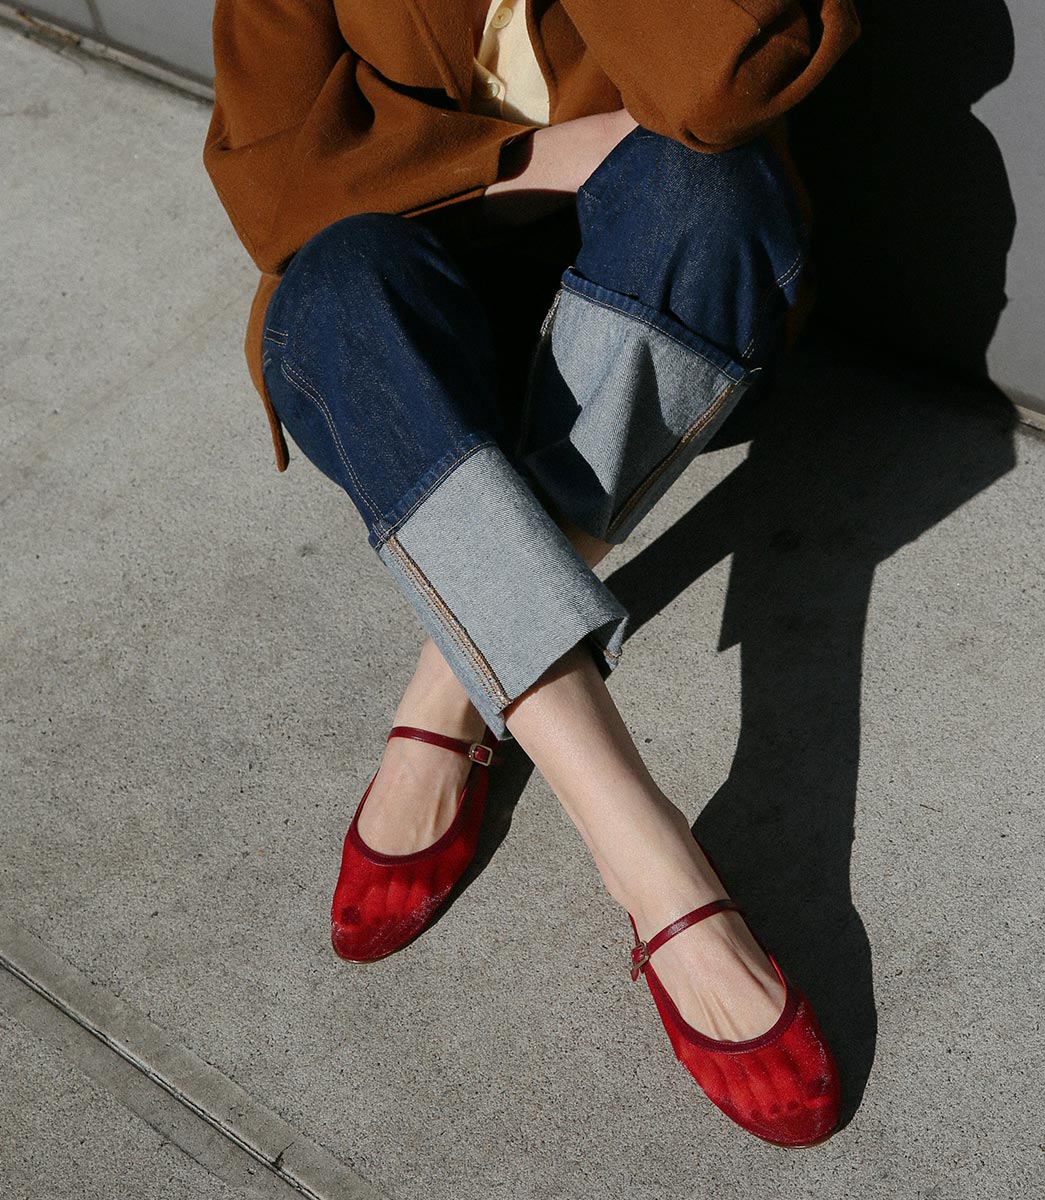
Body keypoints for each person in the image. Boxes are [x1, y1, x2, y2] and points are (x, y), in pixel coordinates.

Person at [204, 0, 860, 1147]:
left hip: (641, 296)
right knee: (336, 291)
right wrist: (556, 153)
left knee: (712, 189)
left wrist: (452, 167)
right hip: (403, 326)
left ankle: (447, 688)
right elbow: (279, 193)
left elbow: (732, 83)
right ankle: (644, 849)